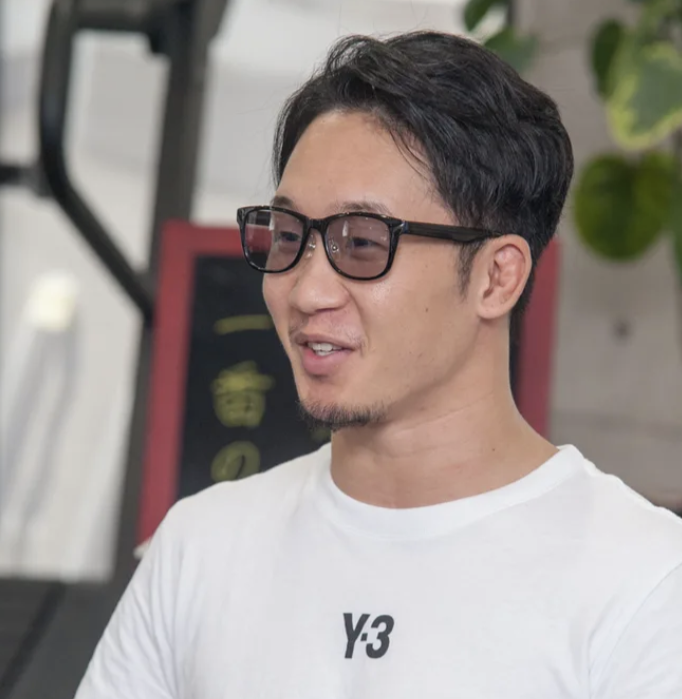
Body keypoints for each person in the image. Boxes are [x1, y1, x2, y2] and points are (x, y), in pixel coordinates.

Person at [75, 31, 682, 698]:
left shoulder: (644, 584)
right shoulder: (199, 549)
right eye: (288, 236)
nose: (307, 291)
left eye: (361, 243)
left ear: (497, 277)